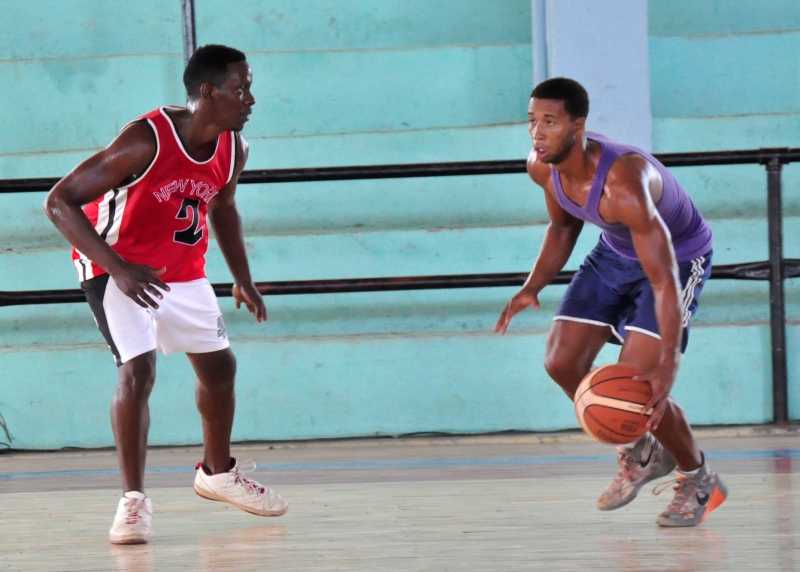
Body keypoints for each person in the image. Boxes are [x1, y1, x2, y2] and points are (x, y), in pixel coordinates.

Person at [44, 44, 287, 545]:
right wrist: (119, 269)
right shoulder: (144, 140)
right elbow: (59, 202)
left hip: (181, 268)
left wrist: (242, 277)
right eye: (241, 88)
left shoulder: (233, 147)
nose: (251, 99)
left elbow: (222, 209)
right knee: (139, 371)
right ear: (207, 92)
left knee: (220, 368)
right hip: (115, 262)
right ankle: (132, 502)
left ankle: (216, 474)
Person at [495, 77, 727, 527]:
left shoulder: (624, 182)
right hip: (616, 252)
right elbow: (563, 229)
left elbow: (664, 282)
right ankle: (641, 451)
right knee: (561, 361)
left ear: (577, 127)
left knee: (642, 385)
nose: (537, 133)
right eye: (531, 121)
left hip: (676, 258)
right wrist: (532, 286)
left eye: (549, 122)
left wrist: (667, 364)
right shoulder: (542, 167)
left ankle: (700, 478)